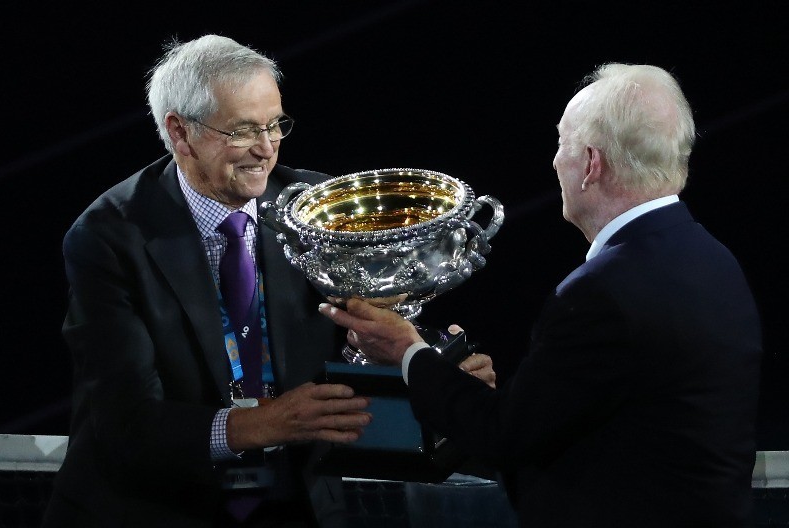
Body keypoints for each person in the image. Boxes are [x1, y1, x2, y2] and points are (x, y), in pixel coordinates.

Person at [319, 63, 763, 527]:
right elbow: (572, 413)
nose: (554, 162)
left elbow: (505, 436)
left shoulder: (602, 291)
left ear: (591, 163)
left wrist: (407, 352)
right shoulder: (713, 260)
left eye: (561, 144)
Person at [42, 34, 377, 528]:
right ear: (180, 132)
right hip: (150, 510)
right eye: (243, 131)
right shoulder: (109, 237)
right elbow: (127, 423)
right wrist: (262, 424)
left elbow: (356, 345)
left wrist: (425, 368)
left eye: (275, 125)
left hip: (294, 506)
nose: (266, 150)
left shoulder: (314, 209)